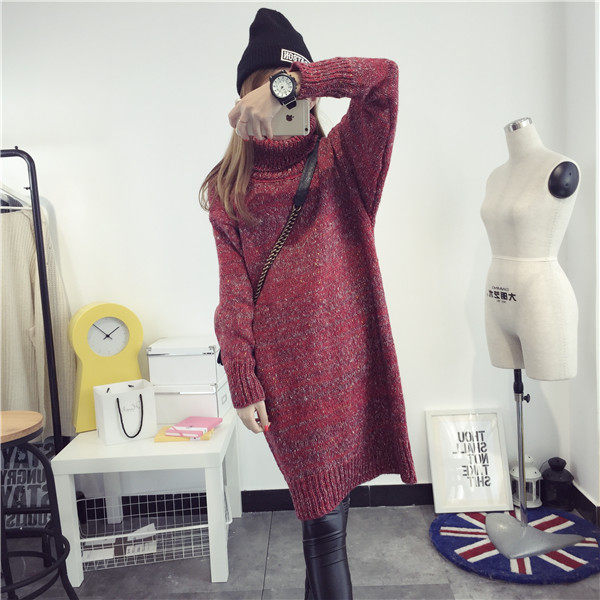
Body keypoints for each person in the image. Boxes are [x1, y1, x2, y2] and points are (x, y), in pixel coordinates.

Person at [199, 8, 417, 599]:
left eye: (290, 90)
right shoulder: (228, 187)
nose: (283, 102)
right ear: (243, 101)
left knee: (326, 517)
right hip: (286, 379)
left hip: (350, 367)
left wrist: (293, 82)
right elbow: (233, 292)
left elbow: (383, 79)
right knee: (323, 522)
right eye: (264, 88)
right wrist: (241, 375)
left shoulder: (345, 162)